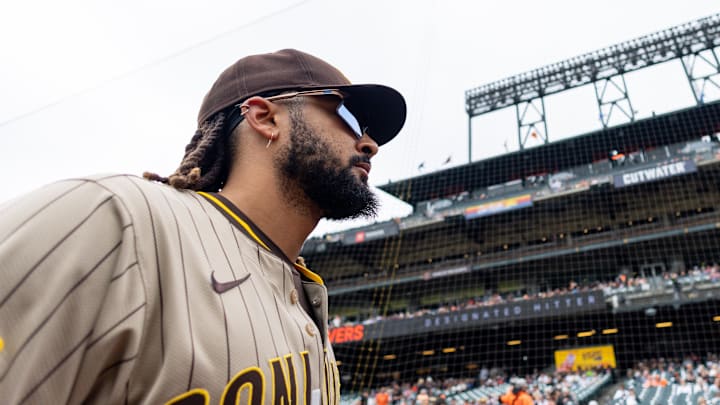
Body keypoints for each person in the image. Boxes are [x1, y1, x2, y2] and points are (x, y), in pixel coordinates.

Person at [0, 49, 406, 404]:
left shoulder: (305, 293)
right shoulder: (118, 218)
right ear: (265, 117)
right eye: (348, 116)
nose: (369, 143)